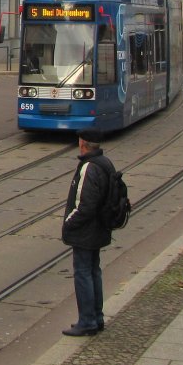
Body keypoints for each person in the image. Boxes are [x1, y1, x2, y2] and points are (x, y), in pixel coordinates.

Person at [61, 129, 116, 336]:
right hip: (100, 227)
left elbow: (85, 205)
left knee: (83, 273)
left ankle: (87, 321)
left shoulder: (89, 167)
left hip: (86, 231)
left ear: (83, 143)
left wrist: (68, 223)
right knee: (94, 271)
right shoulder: (105, 162)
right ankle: (96, 317)